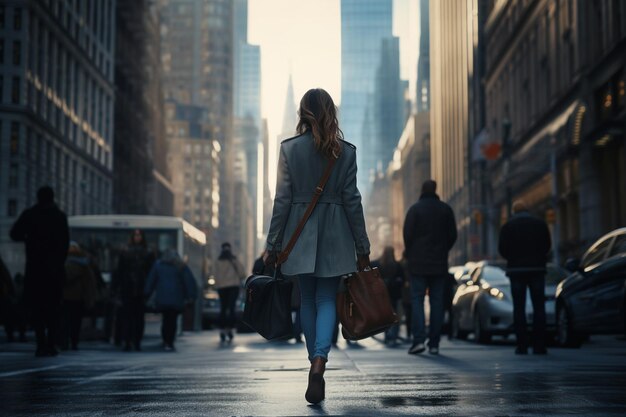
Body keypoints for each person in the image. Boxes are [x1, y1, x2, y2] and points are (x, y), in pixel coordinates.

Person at [264, 88, 370, 404]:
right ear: (330, 112)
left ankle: (315, 361)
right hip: (337, 235)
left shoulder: (289, 150)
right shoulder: (346, 152)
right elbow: (353, 200)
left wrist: (273, 243)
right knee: (327, 298)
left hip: (300, 234)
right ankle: (321, 360)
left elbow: (281, 200)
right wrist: (362, 245)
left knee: (308, 299)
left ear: (303, 112)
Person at [10, 186, 69, 357]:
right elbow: (65, 243)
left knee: (37, 308)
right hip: (53, 270)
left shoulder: (30, 215)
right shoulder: (59, 216)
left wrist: (29, 239)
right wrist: (58, 261)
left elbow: (14, 233)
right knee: (53, 308)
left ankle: (40, 343)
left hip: (35, 268)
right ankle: (50, 343)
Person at [403, 179, 457, 355]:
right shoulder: (445, 210)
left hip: (418, 264)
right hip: (439, 264)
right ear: (435, 190)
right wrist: (442, 250)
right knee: (437, 302)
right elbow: (452, 235)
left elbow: (408, 235)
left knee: (417, 300)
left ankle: (418, 341)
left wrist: (411, 254)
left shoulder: (414, 210)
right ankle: (434, 343)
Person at [498, 200, 551, 355]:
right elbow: (547, 245)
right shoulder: (540, 224)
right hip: (537, 269)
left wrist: (513, 258)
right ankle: (539, 346)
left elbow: (502, 249)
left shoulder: (508, 226)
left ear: (514, 211)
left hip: (516, 271)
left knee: (519, 308)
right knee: (538, 308)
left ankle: (522, 346)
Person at [144, 249, 197, 351]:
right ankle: (170, 341)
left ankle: (165, 340)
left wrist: (146, 293)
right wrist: (191, 296)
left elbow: (151, 281)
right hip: (176, 299)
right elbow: (189, 282)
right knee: (172, 320)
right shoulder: (181, 266)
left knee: (165, 320)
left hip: (162, 298)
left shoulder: (158, 265)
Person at [112, 229, 154, 351]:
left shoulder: (147, 253)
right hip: (128, 289)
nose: (137, 237)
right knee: (128, 317)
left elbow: (150, 272)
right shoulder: (125, 252)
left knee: (138, 318)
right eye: (135, 235)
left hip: (141, 290)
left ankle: (136, 341)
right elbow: (119, 272)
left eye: (139, 235)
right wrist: (116, 288)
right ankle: (128, 341)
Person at [61, 242, 98, 350]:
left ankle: (66, 341)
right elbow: (90, 283)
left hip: (66, 297)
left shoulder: (63, 263)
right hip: (78, 297)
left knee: (66, 321)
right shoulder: (84, 264)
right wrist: (90, 297)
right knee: (75, 322)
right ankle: (73, 341)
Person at [371, 247, 404, 346]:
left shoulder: (376, 264)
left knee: (384, 316)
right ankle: (392, 336)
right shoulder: (397, 265)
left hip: (380, 295)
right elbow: (402, 280)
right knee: (393, 316)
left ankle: (387, 335)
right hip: (394, 295)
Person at [214, 243, 245, 343]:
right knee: (231, 308)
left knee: (223, 308)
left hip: (222, 287)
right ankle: (230, 329)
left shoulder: (218, 261)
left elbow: (214, 274)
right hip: (233, 287)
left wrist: (218, 284)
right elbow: (242, 273)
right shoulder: (234, 260)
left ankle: (222, 330)